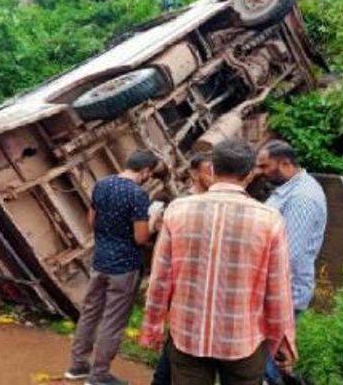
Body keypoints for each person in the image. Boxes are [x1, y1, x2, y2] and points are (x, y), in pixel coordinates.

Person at [140, 140, 296, 385]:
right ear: (249, 174)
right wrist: (282, 340)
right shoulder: (269, 220)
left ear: (212, 169)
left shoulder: (177, 211)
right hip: (242, 341)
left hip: (187, 337)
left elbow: (160, 279)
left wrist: (153, 326)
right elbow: (277, 290)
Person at [64, 150, 157, 385]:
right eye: (150, 173)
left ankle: (77, 366)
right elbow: (140, 238)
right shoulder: (138, 195)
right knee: (113, 321)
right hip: (124, 266)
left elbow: (91, 221)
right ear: (145, 171)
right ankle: (99, 375)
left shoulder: (102, 184)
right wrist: (153, 222)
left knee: (90, 312)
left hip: (100, 261)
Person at [256, 140, 327, 384]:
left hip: (281, 294)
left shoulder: (302, 198)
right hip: (274, 291)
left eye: (265, 166)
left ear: (285, 163)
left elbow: (289, 255)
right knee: (264, 361)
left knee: (267, 363)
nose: (260, 171)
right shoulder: (288, 190)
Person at [150, 151, 213, 385]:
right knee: (177, 344)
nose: (214, 176)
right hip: (183, 289)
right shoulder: (181, 204)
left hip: (201, 290)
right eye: (209, 171)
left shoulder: (216, 202)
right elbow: (163, 255)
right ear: (194, 174)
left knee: (177, 348)